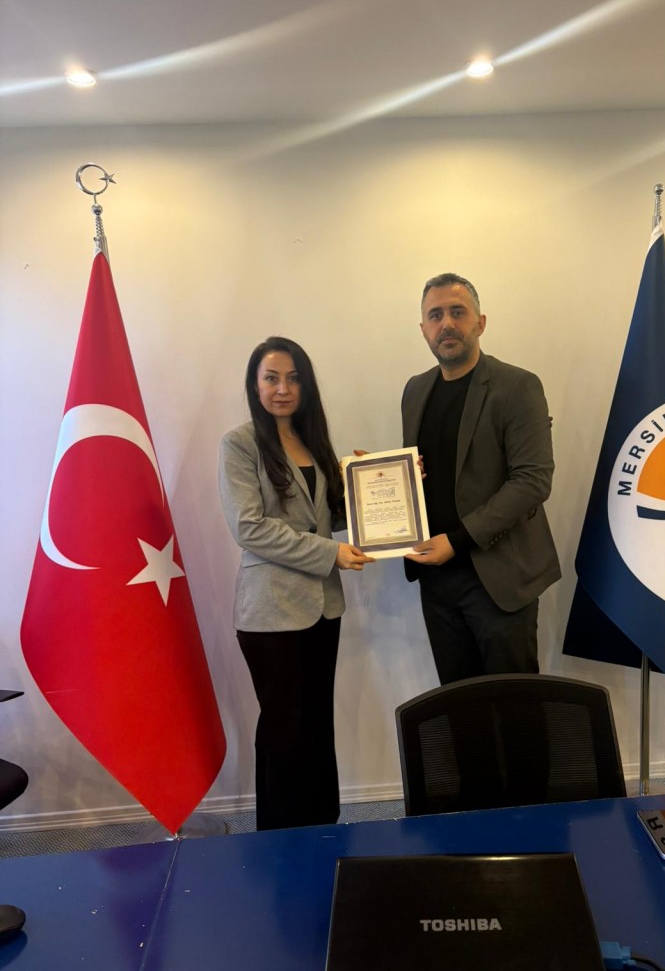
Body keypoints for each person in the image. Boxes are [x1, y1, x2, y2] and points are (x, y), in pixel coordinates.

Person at [219, 337, 373, 830]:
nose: (283, 388)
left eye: (293, 378)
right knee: (284, 729)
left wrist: (381, 482)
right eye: (271, 378)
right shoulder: (239, 444)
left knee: (316, 723)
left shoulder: (313, 442)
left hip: (323, 607)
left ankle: (322, 826)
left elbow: (329, 517)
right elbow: (250, 528)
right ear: (255, 385)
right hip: (270, 612)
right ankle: (281, 837)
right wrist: (330, 554)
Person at [402, 273, 561, 684]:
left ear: (480, 323)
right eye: (435, 315)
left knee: (513, 706)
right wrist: (389, 475)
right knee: (457, 704)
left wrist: (456, 542)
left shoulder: (518, 386)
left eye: (458, 312)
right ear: (423, 329)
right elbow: (425, 472)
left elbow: (532, 480)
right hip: (437, 581)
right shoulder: (415, 390)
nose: (446, 324)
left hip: (499, 579)